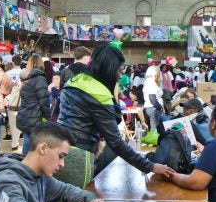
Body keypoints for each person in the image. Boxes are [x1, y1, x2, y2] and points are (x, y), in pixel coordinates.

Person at [58, 45, 174, 179]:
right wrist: (150, 166)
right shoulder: (99, 94)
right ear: (109, 69)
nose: (121, 76)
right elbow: (115, 142)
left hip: (58, 152)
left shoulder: (75, 81)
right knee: (81, 198)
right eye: (119, 71)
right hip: (79, 159)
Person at [17, 53, 51, 155]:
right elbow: (44, 101)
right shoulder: (39, 78)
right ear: (41, 64)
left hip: (24, 113)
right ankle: (30, 166)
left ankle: (24, 165)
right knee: (34, 143)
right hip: (35, 116)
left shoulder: (25, 77)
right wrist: (49, 116)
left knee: (27, 140)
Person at [5, 55, 23, 151]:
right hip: (22, 100)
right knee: (20, 120)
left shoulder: (7, 73)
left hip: (10, 100)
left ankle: (14, 142)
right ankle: (17, 139)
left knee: (12, 122)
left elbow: (5, 88)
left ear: (12, 62)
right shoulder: (23, 73)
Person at [143, 66, 165, 131]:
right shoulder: (151, 82)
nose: (159, 74)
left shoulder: (148, 82)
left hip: (151, 108)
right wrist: (159, 107)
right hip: (153, 108)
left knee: (154, 130)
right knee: (154, 131)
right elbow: (152, 97)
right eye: (158, 73)